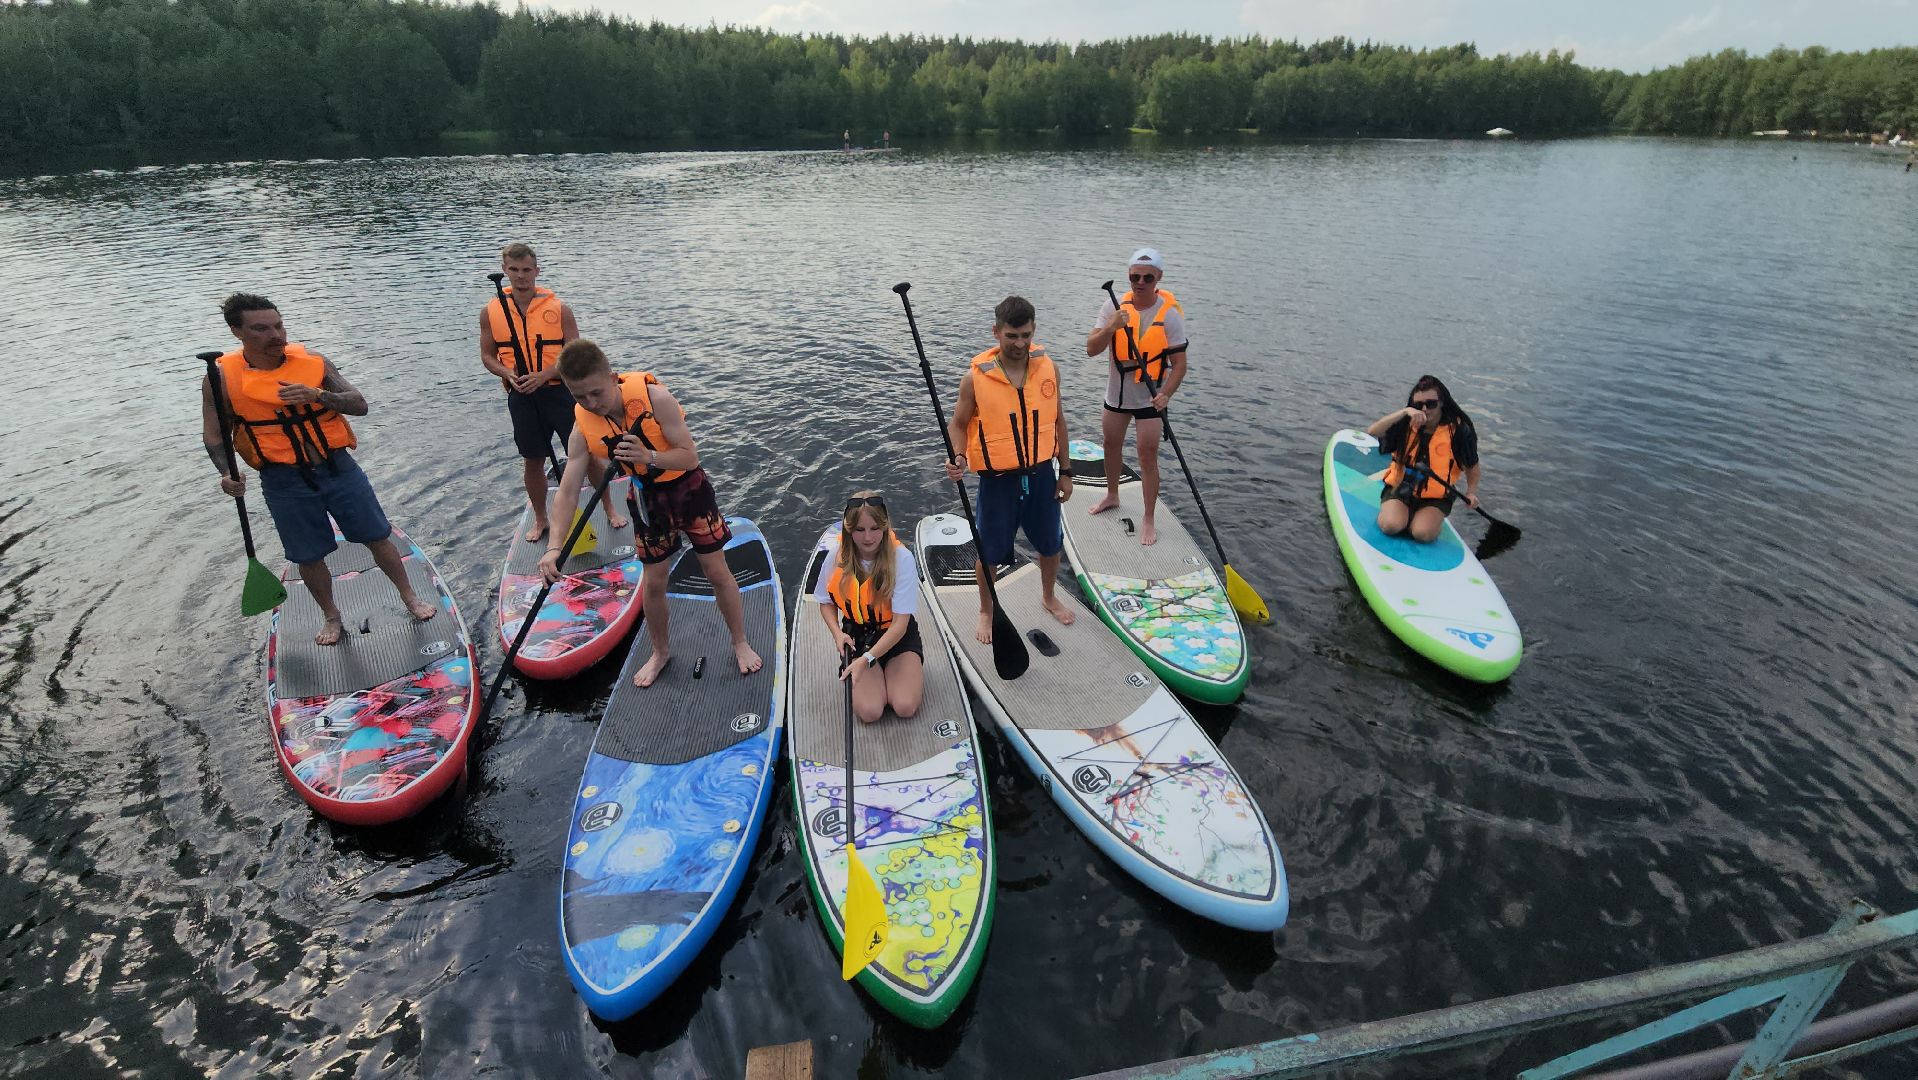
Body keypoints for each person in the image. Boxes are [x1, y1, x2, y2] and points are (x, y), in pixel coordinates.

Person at [201, 294, 437, 646]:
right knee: (308, 554)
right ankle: (331, 615)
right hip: (283, 479)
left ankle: (410, 597)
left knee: (377, 535)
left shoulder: (314, 364)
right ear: (237, 332)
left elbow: (359, 404)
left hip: (338, 467)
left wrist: (317, 395)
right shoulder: (220, 379)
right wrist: (225, 472)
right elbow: (214, 434)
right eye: (261, 329)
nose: (275, 334)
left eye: (278, 325)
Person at [539, 340, 763, 685]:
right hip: (646, 499)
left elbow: (690, 456)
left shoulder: (655, 398)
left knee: (716, 570)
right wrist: (554, 546)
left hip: (689, 490)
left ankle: (740, 642)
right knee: (654, 581)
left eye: (596, 393)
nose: (591, 404)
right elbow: (568, 489)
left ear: (612, 378)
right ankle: (660, 652)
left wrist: (649, 457)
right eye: (579, 396)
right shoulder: (582, 424)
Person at [942, 295, 1076, 643]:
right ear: (997, 332)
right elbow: (958, 424)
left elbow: (1059, 421)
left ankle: (1047, 596)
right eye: (1012, 336)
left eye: (1026, 336)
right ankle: (987, 610)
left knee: (1050, 544)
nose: (1020, 344)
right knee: (989, 552)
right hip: (998, 483)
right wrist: (958, 457)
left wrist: (1067, 470)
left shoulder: (1049, 368)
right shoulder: (975, 379)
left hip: (1042, 475)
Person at [480, 242, 624, 543]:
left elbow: (575, 355)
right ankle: (541, 518)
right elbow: (488, 356)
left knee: (587, 454)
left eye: (527, 270)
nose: (521, 277)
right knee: (532, 460)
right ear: (505, 270)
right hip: (521, 395)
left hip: (560, 394)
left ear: (537, 271)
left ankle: (609, 508)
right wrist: (509, 373)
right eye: (514, 270)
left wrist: (544, 375)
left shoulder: (559, 309)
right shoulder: (491, 311)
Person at [1084, 246, 1188, 546]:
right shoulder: (1112, 306)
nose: (1139, 282)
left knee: (1147, 457)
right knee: (1110, 445)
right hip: (1116, 397)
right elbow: (1091, 349)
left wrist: (1166, 394)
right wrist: (1112, 328)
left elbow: (1180, 366)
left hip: (1150, 399)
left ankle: (1149, 517)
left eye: (1146, 277)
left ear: (1158, 278)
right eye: (1134, 276)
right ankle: (1112, 495)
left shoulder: (1169, 316)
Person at [817, 492, 922, 724]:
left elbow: (900, 625)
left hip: (896, 638)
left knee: (905, 706)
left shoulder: (902, 559)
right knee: (870, 712)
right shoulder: (836, 555)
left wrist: (867, 660)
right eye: (859, 529)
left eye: (874, 528)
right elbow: (825, 602)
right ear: (848, 529)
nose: (867, 537)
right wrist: (838, 634)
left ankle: (895, 672)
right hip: (858, 637)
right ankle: (877, 679)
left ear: (885, 527)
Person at [1366, 375, 1481, 543]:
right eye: (1419, 405)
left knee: (1422, 534)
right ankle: (1398, 513)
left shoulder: (1459, 431)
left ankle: (1425, 521)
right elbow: (1373, 431)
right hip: (1400, 488)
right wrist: (1405, 411)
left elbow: (1472, 467)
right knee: (1391, 526)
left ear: (1441, 402)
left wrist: (1471, 492)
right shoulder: (1406, 422)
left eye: (1431, 404)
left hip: (1436, 497)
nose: (1425, 409)